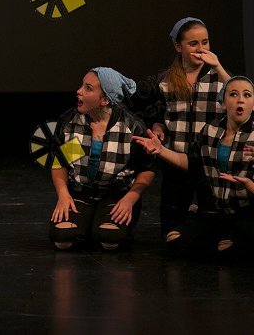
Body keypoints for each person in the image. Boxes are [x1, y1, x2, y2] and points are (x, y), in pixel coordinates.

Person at [133, 76, 254, 260]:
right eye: (233, 94)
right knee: (175, 241)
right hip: (218, 212)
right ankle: (221, 236)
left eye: (247, 95)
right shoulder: (211, 130)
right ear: (223, 103)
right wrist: (161, 150)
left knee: (230, 251)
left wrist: (248, 184)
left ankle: (231, 240)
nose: (240, 100)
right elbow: (193, 163)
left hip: (248, 212)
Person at [134, 17, 231, 240]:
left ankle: (197, 216)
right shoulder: (165, 80)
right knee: (170, 233)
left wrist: (219, 67)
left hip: (208, 162)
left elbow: (241, 99)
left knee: (212, 232)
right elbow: (158, 113)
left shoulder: (218, 77)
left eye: (205, 42)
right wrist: (158, 125)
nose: (201, 49)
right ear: (179, 46)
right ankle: (187, 217)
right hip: (175, 159)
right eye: (193, 43)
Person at [49, 68, 156, 251]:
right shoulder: (71, 122)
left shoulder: (131, 127)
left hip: (117, 194)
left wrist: (130, 199)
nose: (79, 91)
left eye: (88, 88)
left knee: (110, 240)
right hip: (80, 193)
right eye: (82, 85)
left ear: (105, 100)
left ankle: (97, 223)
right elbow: (60, 162)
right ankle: (87, 221)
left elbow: (146, 169)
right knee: (63, 239)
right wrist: (63, 194)